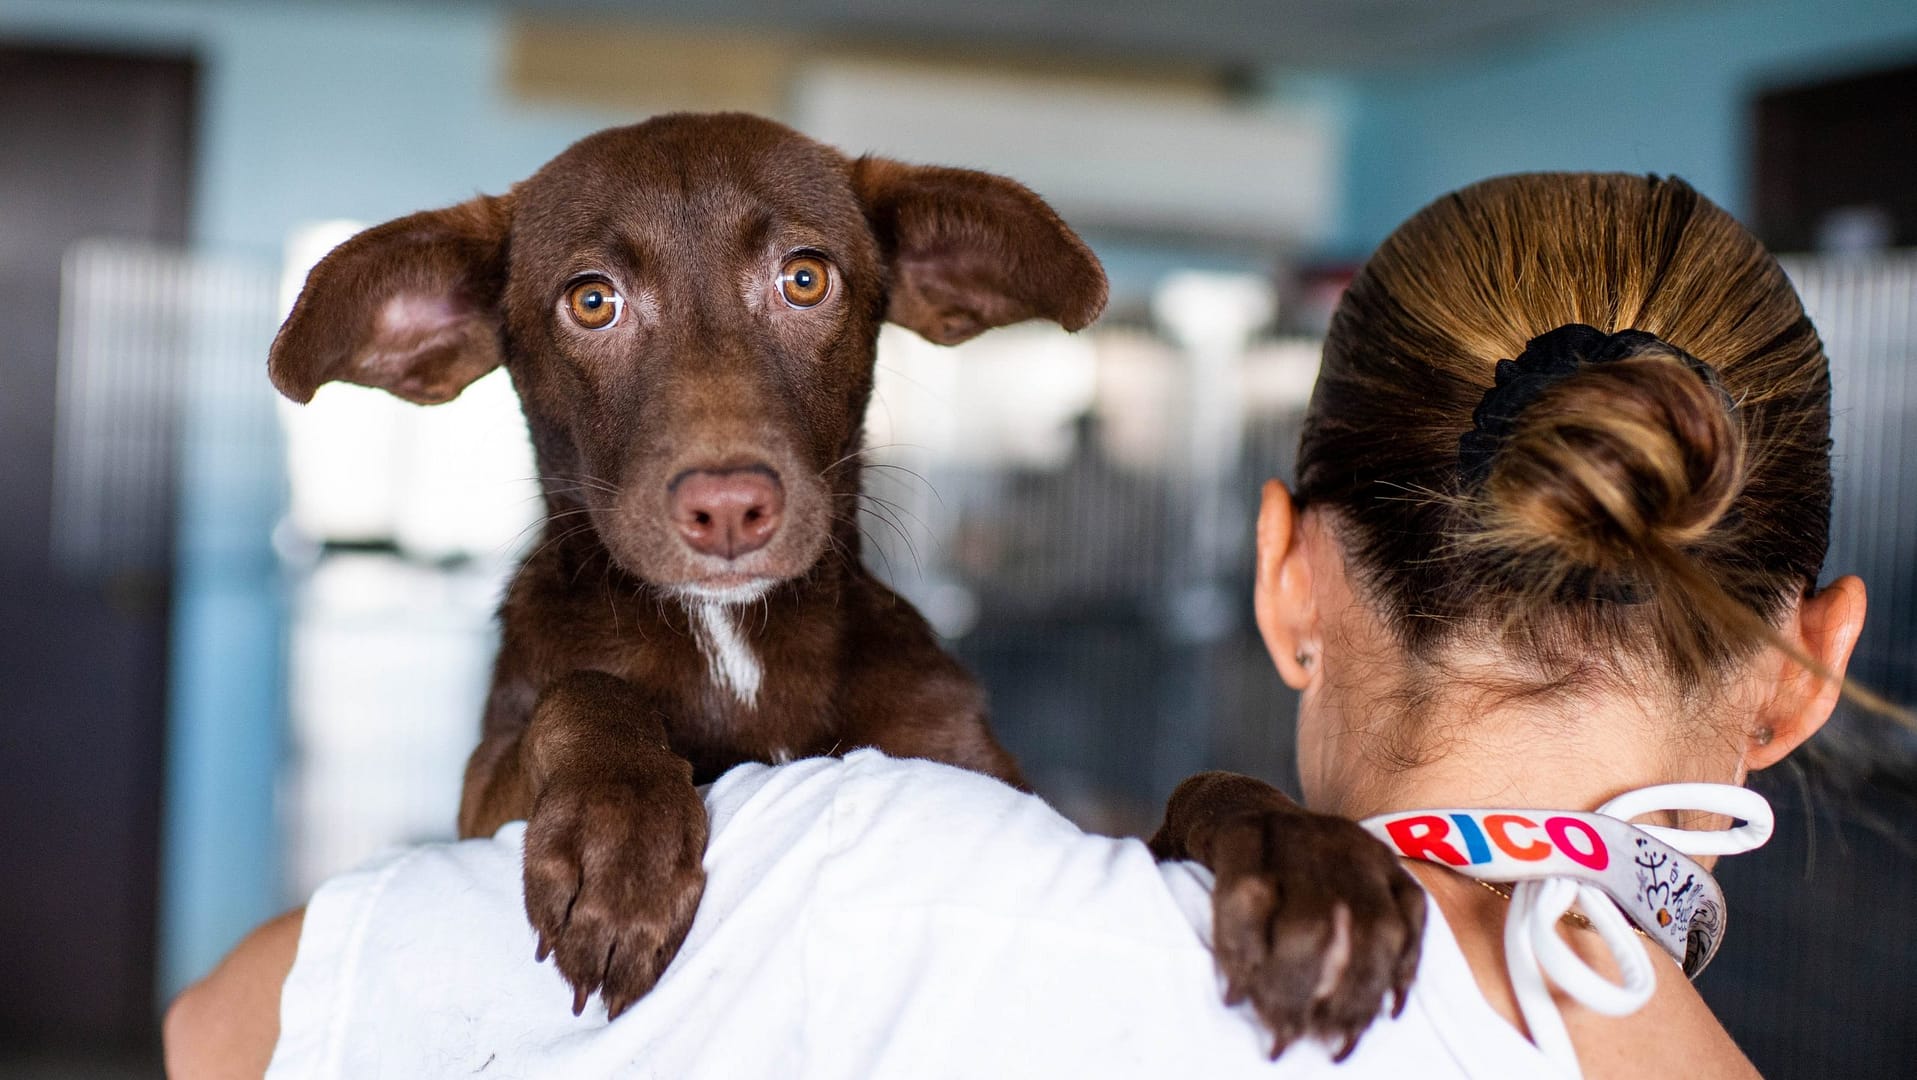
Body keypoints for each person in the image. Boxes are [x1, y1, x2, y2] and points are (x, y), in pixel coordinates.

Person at [166, 172, 1872, 1080]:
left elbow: (230, 1033)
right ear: (1804, 674)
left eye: (799, 286)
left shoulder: (856, 873)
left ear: (1288, 582)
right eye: (602, 302)